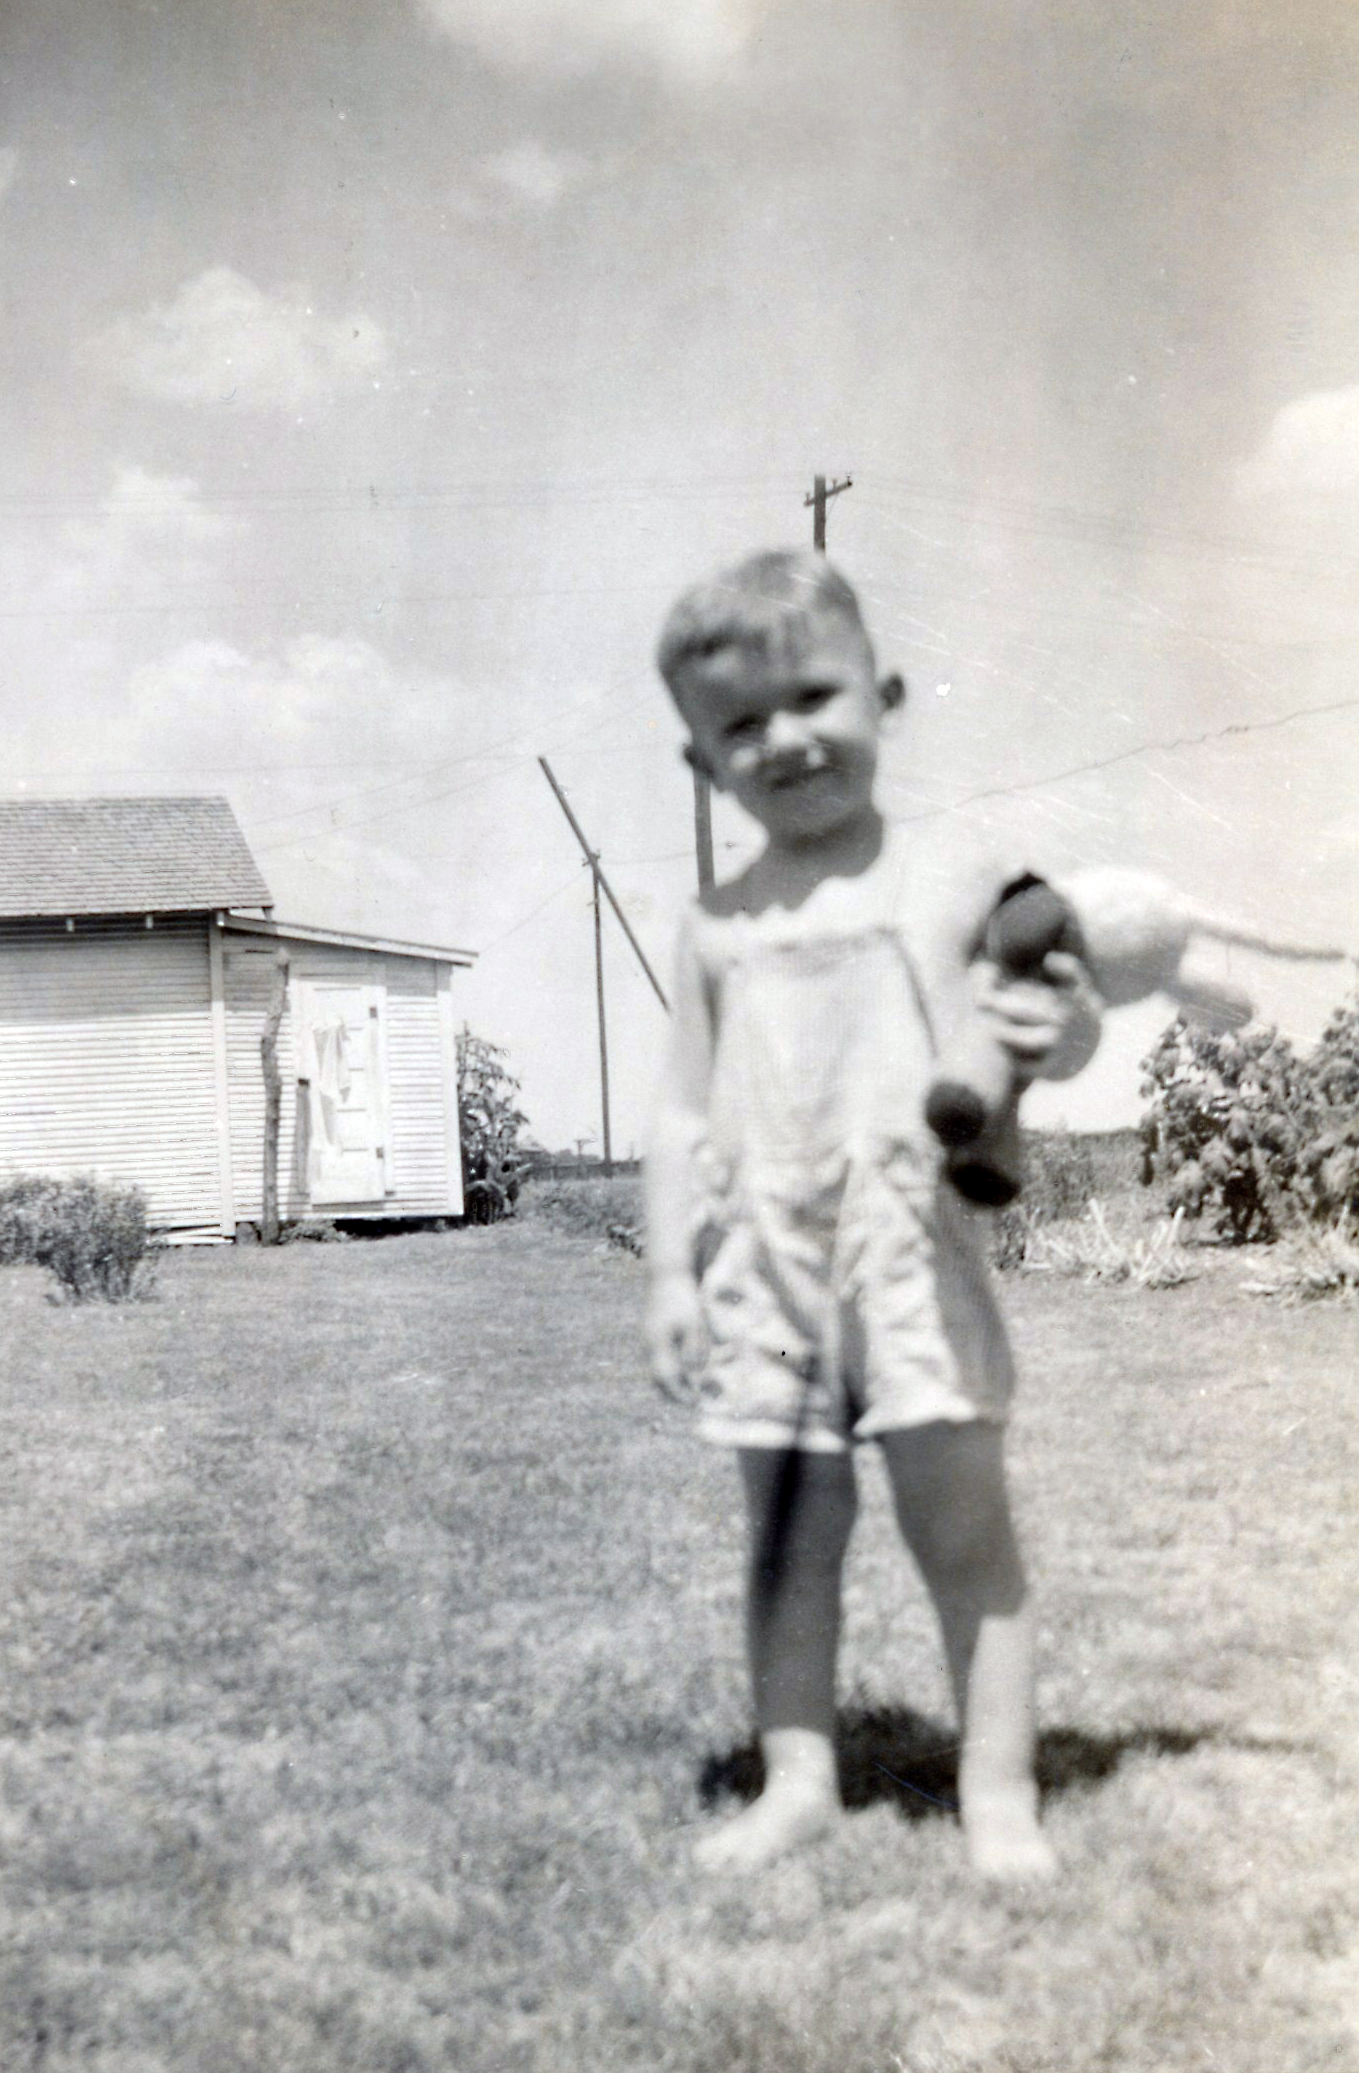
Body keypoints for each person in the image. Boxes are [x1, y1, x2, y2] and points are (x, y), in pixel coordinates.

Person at [644, 548, 1100, 1881]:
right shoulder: (718, 923)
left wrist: (1061, 1028)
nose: (784, 739)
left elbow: (1039, 1031)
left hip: (910, 1256)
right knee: (792, 1539)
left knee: (964, 1535)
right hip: (768, 1274)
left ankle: (998, 1791)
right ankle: (797, 1780)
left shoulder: (947, 879)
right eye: (742, 723)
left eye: (813, 698)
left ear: (885, 698)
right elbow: (679, 1114)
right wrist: (668, 1272)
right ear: (701, 762)